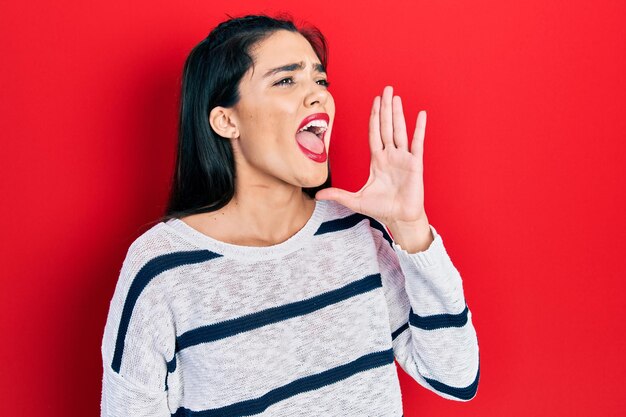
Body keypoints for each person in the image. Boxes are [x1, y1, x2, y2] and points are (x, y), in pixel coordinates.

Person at [101, 14, 480, 417]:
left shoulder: (355, 233)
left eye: (320, 81)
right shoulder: (162, 268)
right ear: (227, 121)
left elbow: (455, 376)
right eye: (286, 80)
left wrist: (410, 227)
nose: (318, 95)